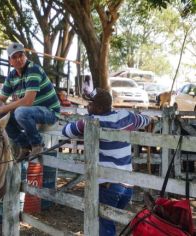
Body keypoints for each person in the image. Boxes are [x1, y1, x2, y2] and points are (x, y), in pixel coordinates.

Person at [62, 88, 152, 236]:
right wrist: (150, 120)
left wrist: (86, 118)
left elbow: (66, 131)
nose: (88, 107)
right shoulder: (126, 116)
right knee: (110, 223)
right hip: (127, 186)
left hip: (108, 185)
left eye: (91, 104)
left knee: (104, 226)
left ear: (99, 108)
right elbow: (145, 120)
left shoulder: (92, 121)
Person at [0, 42, 60, 159]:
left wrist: (1, 109)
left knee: (20, 112)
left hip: (50, 112)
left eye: (21, 55)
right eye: (14, 57)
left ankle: (37, 144)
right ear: (9, 61)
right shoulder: (12, 76)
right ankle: (25, 145)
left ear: (25, 56)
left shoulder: (33, 70)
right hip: (32, 112)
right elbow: (1, 98)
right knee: (2, 118)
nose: (19, 59)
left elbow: (28, 101)